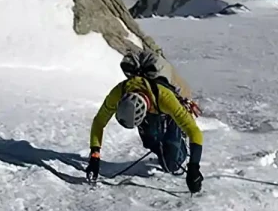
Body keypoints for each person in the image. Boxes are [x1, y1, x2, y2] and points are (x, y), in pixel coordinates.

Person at [86, 47, 204, 193]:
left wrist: (193, 167)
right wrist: (94, 156)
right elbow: (99, 122)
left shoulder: (164, 98)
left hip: (169, 110)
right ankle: (162, 146)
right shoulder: (119, 91)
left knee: (172, 164)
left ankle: (176, 145)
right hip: (152, 107)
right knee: (150, 141)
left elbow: (194, 131)